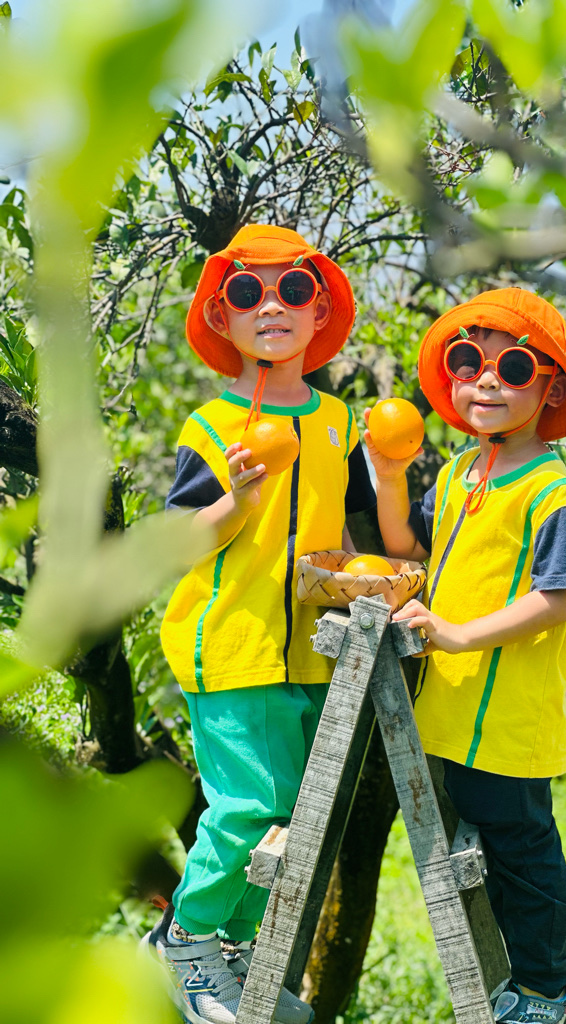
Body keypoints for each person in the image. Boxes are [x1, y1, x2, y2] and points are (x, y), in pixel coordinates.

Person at [145, 225, 375, 1024]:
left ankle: (235, 954)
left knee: (286, 821)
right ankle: (185, 941)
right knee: (246, 807)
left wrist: (370, 578)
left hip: (311, 650)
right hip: (232, 640)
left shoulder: (338, 419)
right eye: (247, 292)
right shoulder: (212, 425)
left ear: (320, 311)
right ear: (223, 315)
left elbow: (340, 531)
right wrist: (237, 501)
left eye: (292, 290)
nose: (270, 306)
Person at [364, 288, 566, 1024]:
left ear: (550, 387)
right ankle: (525, 985)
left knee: (524, 857)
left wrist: (459, 634)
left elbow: (559, 598)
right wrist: (390, 479)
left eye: (514, 368)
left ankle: (552, 990)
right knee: (489, 854)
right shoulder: (460, 471)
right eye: (468, 363)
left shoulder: (551, 494)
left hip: (507, 721)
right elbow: (411, 550)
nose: (487, 381)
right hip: (453, 712)